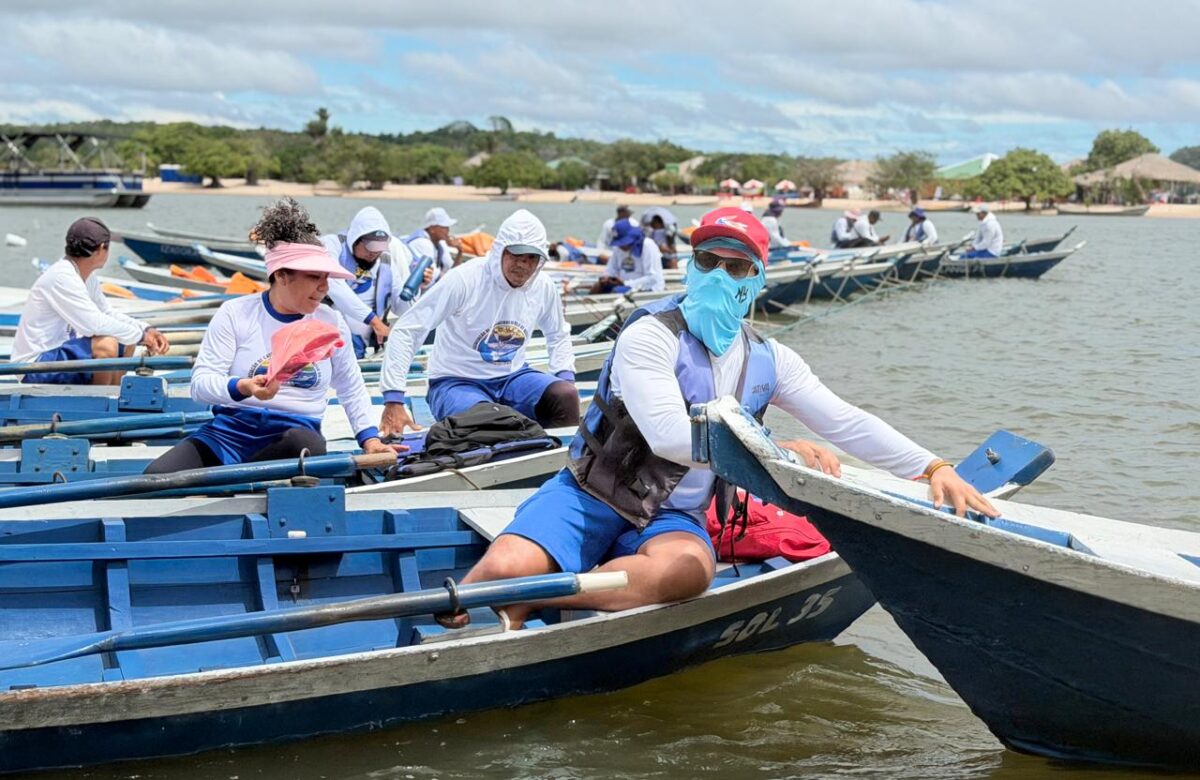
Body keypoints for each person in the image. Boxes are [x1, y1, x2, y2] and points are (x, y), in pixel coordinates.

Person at [435, 206, 998, 629]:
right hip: (591, 496)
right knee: (506, 564)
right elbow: (670, 435)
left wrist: (932, 467)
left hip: (672, 515)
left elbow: (846, 421)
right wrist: (777, 448)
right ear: (691, 265)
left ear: (754, 280)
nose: (719, 274)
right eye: (707, 261)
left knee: (689, 574)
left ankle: (537, 595)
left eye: (735, 265)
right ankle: (492, 595)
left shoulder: (770, 359)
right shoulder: (650, 335)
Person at [144, 199, 398, 473]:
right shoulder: (235, 313)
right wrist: (244, 387)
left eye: (327, 278)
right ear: (281, 275)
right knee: (153, 479)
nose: (325, 287)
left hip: (295, 436)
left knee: (304, 444)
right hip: (229, 434)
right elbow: (201, 385)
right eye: (315, 277)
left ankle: (226, 484)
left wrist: (369, 439)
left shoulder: (330, 320)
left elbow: (350, 386)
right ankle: (229, 482)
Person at [378, 209, 580, 435]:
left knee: (565, 396)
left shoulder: (542, 285)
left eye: (531, 258)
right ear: (499, 251)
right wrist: (394, 398)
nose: (523, 265)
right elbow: (408, 330)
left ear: (541, 260)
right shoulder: (465, 279)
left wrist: (565, 376)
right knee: (489, 419)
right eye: (516, 255)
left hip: (513, 377)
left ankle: (562, 464)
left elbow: (558, 334)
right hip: (457, 382)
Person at [12, 217, 170, 385]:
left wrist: (146, 329)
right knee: (107, 343)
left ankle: (115, 396)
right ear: (102, 248)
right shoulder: (62, 277)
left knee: (126, 337)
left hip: (57, 354)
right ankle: (101, 401)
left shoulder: (86, 275)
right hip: (34, 366)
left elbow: (107, 313)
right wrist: (141, 337)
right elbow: (94, 325)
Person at [320, 206, 423, 358]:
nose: (374, 253)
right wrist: (374, 321)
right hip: (328, 341)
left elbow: (402, 308)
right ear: (355, 239)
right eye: (369, 247)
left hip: (364, 348)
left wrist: (416, 284)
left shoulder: (386, 262)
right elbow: (336, 288)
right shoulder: (332, 245)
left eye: (379, 248)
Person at [590, 220, 665, 294]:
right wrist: (606, 278)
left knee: (616, 291)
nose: (621, 246)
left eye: (623, 242)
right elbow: (611, 270)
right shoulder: (618, 248)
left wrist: (626, 283)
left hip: (647, 288)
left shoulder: (647, 245)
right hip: (623, 285)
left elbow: (652, 278)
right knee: (598, 287)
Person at [404, 207, 461, 273]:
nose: (448, 230)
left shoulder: (440, 244)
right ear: (432, 229)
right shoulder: (422, 243)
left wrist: (460, 251)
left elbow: (451, 270)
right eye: (444, 227)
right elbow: (432, 275)